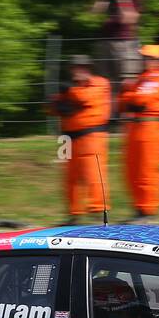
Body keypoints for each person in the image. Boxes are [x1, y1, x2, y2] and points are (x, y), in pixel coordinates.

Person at [48, 55, 111, 223]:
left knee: (94, 175)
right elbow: (51, 107)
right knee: (70, 178)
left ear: (89, 68)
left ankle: (99, 213)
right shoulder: (70, 89)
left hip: (91, 136)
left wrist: (68, 95)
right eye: (75, 68)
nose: (78, 71)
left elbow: (85, 98)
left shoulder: (99, 83)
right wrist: (58, 103)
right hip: (66, 138)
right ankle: (73, 214)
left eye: (82, 67)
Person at [119, 44, 159, 221]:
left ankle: (148, 210)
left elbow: (141, 101)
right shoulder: (143, 78)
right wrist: (130, 97)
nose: (145, 60)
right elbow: (124, 101)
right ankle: (139, 208)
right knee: (132, 169)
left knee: (147, 170)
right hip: (135, 126)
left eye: (149, 57)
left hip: (151, 127)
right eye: (145, 57)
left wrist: (130, 96)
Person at [90, 0, 145, 104]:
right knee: (106, 85)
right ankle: (111, 121)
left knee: (128, 83)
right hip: (105, 42)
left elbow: (130, 18)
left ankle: (126, 119)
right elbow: (96, 11)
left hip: (126, 43)